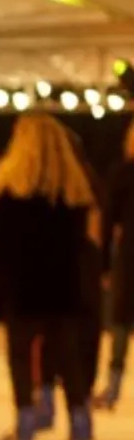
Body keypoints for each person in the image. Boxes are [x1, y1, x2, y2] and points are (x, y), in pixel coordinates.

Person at [0, 113, 98, 440]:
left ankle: (26, 427)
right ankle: (80, 426)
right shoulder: (72, 195)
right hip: (65, 287)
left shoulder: (10, 193)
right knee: (68, 355)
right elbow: (83, 247)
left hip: (24, 288)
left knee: (19, 356)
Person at [99, 122, 134, 411]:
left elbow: (107, 220)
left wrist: (103, 267)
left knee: (121, 324)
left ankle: (113, 387)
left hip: (128, 257)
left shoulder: (122, 174)